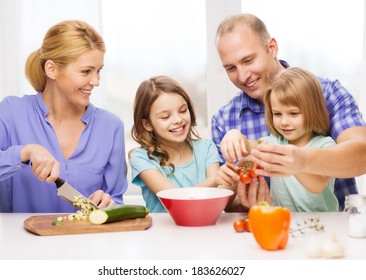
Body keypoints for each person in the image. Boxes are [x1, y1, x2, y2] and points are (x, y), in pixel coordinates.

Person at [212, 13, 366, 211]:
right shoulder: (224, 120)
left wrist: (302, 160)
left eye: (249, 60)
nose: (242, 76)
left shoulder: (326, 93)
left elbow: (362, 154)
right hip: (271, 228)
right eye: (230, 68)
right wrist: (244, 204)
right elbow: (224, 200)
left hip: (333, 231)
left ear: (272, 48)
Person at [0, 20, 128, 213]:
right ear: (52, 69)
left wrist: (109, 203)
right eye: (85, 71)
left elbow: (116, 200)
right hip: (20, 243)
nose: (96, 81)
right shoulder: (11, 112)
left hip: (88, 242)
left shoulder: (111, 127)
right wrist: (24, 152)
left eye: (99, 71)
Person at [229, 67, 338, 212]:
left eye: (293, 113)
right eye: (277, 114)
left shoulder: (325, 145)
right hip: (282, 222)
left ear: (313, 110)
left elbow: (317, 185)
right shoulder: (275, 142)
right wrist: (234, 135)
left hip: (319, 224)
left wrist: (291, 160)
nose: (284, 122)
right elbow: (248, 145)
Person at [129, 75, 222, 213]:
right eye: (166, 117)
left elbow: (217, 198)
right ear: (147, 124)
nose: (178, 119)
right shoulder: (141, 158)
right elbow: (176, 199)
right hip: (163, 233)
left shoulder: (206, 148)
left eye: (183, 110)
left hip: (205, 228)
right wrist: (216, 180)